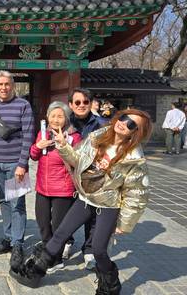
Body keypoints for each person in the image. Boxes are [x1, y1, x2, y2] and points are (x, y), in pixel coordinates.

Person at [12, 109, 152, 295]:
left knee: (99, 249)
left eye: (132, 124)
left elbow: (136, 193)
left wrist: (124, 223)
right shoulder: (98, 137)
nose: (124, 124)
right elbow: (77, 161)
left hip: (108, 205)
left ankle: (110, 285)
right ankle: (35, 272)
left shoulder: (135, 159)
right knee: (60, 233)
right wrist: (63, 146)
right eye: (125, 118)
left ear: (137, 132)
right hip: (85, 198)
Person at [0, 70, 35, 271]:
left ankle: (18, 243)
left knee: (17, 204)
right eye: (0, 84)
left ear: (13, 85)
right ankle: (7, 237)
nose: (4, 87)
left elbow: (28, 135)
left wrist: (23, 164)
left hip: (16, 164)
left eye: (7, 84)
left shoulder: (23, 106)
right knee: (4, 201)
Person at [29, 101, 82, 273]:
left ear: (66, 119)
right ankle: (47, 252)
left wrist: (64, 145)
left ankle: (56, 258)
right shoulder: (42, 134)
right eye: (53, 115)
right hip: (43, 187)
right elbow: (34, 156)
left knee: (58, 226)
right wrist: (38, 146)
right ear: (47, 118)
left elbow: (78, 161)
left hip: (63, 188)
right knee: (43, 223)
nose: (56, 119)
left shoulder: (74, 137)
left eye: (60, 116)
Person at [68, 87, 105, 269]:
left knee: (92, 213)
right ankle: (67, 240)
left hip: (92, 176)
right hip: (68, 175)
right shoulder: (65, 123)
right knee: (65, 210)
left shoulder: (101, 124)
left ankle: (89, 249)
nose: (81, 105)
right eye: (77, 102)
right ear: (71, 105)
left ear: (91, 104)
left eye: (85, 102)